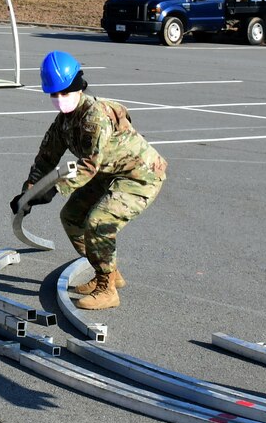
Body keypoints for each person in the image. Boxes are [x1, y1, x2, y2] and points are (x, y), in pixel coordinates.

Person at [17, 51, 167, 311]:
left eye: (64, 93)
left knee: (98, 222)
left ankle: (107, 290)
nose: (59, 99)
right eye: (54, 95)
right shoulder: (64, 122)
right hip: (107, 173)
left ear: (78, 88)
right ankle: (108, 272)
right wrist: (27, 195)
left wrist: (53, 189)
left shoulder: (95, 117)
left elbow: (88, 165)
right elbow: (45, 160)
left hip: (139, 176)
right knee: (72, 217)